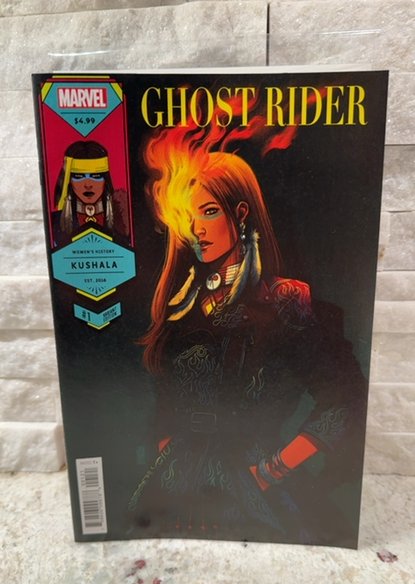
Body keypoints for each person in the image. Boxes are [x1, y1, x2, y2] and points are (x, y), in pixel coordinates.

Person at [135, 144, 366, 546]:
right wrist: (169, 453)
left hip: (254, 485)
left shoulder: (285, 300)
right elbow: (166, 400)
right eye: (188, 216)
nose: (197, 228)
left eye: (208, 211)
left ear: (240, 213)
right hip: (176, 485)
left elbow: (344, 398)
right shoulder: (183, 303)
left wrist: (272, 470)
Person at [53, 140, 129, 246]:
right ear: (69, 181)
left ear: (105, 180)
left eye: (96, 176)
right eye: (79, 176)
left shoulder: (123, 217)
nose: (88, 184)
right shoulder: (56, 221)